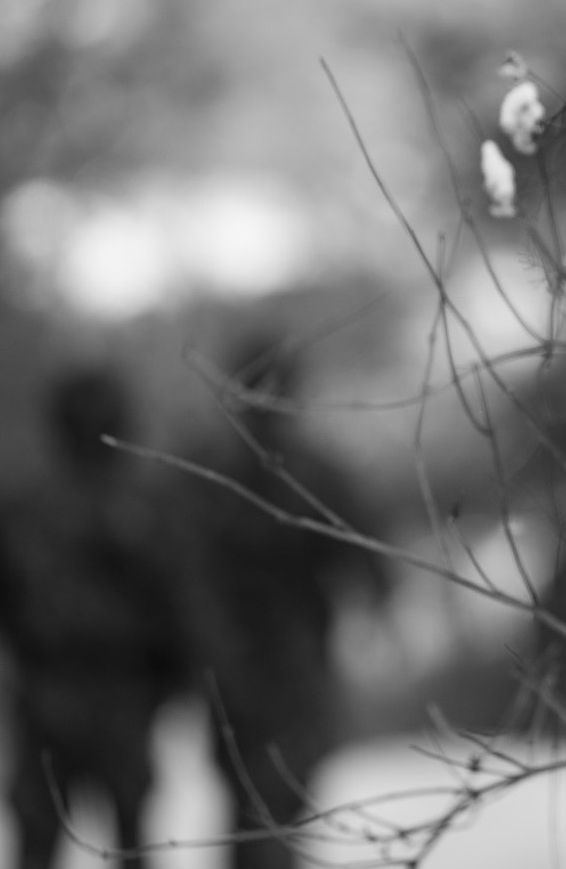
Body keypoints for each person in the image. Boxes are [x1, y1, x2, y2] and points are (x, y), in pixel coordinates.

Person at [171, 339, 385, 869]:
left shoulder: (203, 469)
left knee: (256, 803)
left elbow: (175, 570)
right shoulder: (314, 470)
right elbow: (369, 561)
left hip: (237, 662)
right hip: (280, 662)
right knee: (273, 804)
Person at [0, 366, 186, 869]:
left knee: (50, 839)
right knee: (115, 836)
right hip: (94, 688)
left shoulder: (20, 500)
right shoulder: (142, 504)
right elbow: (179, 605)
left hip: (75, 688)